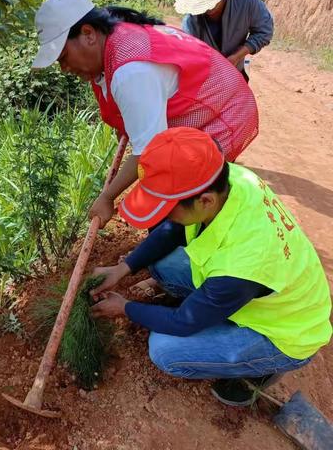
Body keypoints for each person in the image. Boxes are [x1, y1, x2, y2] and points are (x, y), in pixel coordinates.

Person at [89, 127, 332, 406]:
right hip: (262, 288)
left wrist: (125, 308)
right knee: (163, 263)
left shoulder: (241, 265)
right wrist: (123, 269)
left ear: (205, 201)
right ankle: (216, 309)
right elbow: (172, 230)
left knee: (166, 351)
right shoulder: (228, 179)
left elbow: (182, 323)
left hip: (286, 331)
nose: (164, 215)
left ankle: (261, 370)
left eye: (168, 207)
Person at [32, 0, 259, 229]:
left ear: (88, 33)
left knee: (190, 192)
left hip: (221, 112)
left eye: (64, 56)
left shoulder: (131, 71)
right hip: (206, 99)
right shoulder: (113, 34)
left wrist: (107, 198)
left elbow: (150, 150)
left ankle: (202, 238)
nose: (64, 68)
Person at [176, 0, 274, 82]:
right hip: (205, 80)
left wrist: (237, 56)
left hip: (237, 74)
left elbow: (264, 31)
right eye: (205, 2)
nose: (209, 7)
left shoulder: (247, 2)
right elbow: (188, 54)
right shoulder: (191, 20)